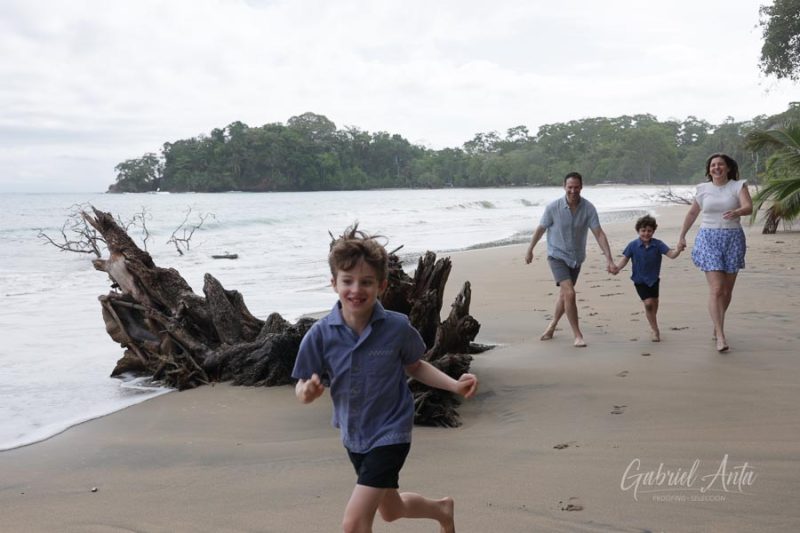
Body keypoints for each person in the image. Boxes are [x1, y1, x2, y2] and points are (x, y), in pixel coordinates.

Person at [292, 225, 478, 533]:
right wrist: (307, 393)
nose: (356, 289)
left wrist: (454, 385)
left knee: (354, 523)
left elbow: (416, 365)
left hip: (392, 431)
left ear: (382, 285)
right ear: (333, 283)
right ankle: (441, 509)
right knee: (392, 510)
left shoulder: (396, 327)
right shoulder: (320, 334)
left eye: (366, 282)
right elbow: (301, 384)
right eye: (347, 281)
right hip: (354, 435)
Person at [525, 171, 619, 347]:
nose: (573, 191)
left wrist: (609, 259)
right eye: (570, 187)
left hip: (576, 258)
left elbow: (599, 233)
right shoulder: (553, 208)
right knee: (570, 293)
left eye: (576, 187)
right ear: (564, 187)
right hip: (556, 255)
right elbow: (540, 229)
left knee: (564, 295)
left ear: (581, 187)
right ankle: (578, 335)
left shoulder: (589, 208)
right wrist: (530, 249)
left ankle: (552, 325)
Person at [678, 153, 753, 352]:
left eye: (720, 164)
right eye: (713, 165)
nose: (716, 168)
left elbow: (748, 207)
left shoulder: (738, 186)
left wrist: (737, 212)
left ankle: (717, 322)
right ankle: (720, 335)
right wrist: (682, 235)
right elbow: (693, 212)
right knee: (717, 289)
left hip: (732, 238)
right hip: (708, 238)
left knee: (727, 291)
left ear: (728, 168)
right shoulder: (703, 189)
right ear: (709, 169)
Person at [613, 215, 684, 342]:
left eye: (649, 231)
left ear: (653, 231)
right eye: (643, 230)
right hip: (639, 280)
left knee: (654, 304)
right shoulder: (633, 245)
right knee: (648, 304)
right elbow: (625, 259)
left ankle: (652, 322)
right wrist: (617, 268)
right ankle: (655, 330)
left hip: (654, 280)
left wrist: (678, 249)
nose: (646, 233)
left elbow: (672, 255)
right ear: (638, 231)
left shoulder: (658, 244)